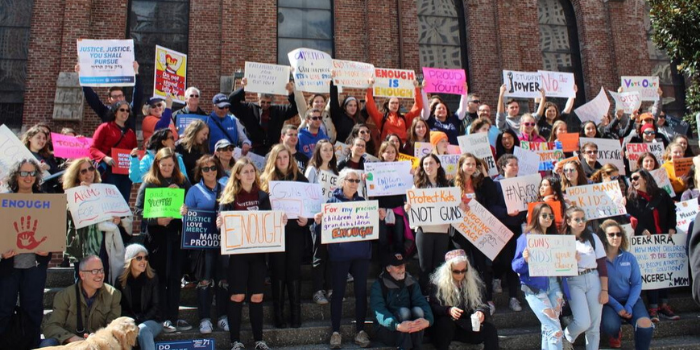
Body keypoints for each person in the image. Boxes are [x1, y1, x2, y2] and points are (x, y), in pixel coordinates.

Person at [216, 158, 276, 350]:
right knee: (237, 296)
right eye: (246, 172)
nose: (250, 174)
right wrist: (220, 224)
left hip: (258, 254)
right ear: (238, 175)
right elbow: (222, 224)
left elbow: (269, 222)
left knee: (257, 296)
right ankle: (235, 341)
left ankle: (259, 340)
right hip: (237, 256)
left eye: (252, 171)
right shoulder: (229, 197)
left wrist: (279, 219)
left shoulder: (263, 196)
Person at [314, 169, 376, 349]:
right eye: (351, 180)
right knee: (338, 293)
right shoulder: (331, 202)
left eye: (357, 181)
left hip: (361, 255)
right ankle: (335, 332)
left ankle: (360, 331)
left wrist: (378, 219)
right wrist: (318, 223)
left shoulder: (363, 203)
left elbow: (372, 231)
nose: (355, 183)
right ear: (343, 181)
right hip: (340, 256)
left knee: (360, 293)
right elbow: (322, 234)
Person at [134, 147, 192, 333]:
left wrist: (185, 208)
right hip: (156, 238)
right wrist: (156, 220)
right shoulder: (149, 183)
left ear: (175, 164)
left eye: (170, 164)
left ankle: (173, 317)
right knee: (158, 277)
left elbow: (191, 205)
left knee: (175, 277)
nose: (167, 168)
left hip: (176, 235)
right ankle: (160, 316)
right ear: (157, 164)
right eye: (163, 164)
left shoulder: (182, 181)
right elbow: (139, 211)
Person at [0, 159, 51, 349]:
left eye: (32, 173)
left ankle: (32, 345)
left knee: (33, 311)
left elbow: (51, 232)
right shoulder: (3, 200)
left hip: (34, 267)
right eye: (24, 173)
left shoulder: (45, 200)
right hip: (8, 267)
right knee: (3, 310)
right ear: (16, 175)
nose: (28, 177)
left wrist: (47, 251)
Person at [261, 144, 310, 329]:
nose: (282, 161)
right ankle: (278, 316)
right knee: (278, 271)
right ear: (273, 160)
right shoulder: (265, 181)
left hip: (296, 231)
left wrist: (308, 221)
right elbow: (260, 208)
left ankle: (296, 315)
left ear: (291, 159)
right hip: (276, 232)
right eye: (279, 158)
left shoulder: (301, 179)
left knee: (293, 271)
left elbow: (312, 206)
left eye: (285, 157)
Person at [181, 155, 228, 334]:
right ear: (200, 172)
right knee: (205, 281)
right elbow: (188, 218)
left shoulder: (225, 189)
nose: (210, 171)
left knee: (223, 281)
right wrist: (184, 212)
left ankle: (223, 317)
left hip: (223, 243)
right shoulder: (194, 191)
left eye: (213, 168)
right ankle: (205, 319)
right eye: (206, 168)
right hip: (203, 246)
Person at [624, 169, 679, 322]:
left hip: (663, 240)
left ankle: (664, 305)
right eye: (631, 179)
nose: (633, 181)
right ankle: (653, 306)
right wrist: (641, 229)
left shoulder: (661, 194)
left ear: (646, 179)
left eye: (636, 178)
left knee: (663, 270)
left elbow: (671, 210)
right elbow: (630, 217)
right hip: (646, 243)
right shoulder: (631, 198)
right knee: (651, 272)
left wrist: (671, 227)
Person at [63, 158, 126, 284]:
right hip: (82, 245)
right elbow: (70, 216)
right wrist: (80, 194)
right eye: (83, 171)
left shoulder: (103, 191)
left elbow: (112, 214)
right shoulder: (71, 194)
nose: (88, 173)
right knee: (82, 283)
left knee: (101, 279)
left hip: (101, 243)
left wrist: (116, 220)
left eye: (91, 169)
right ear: (76, 175)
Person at [512, 203, 566, 350]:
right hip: (534, 288)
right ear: (536, 216)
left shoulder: (555, 237)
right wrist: (525, 260)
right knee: (555, 330)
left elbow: (564, 264)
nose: (548, 218)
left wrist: (571, 259)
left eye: (551, 215)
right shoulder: (525, 238)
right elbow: (515, 266)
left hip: (554, 285)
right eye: (544, 215)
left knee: (548, 329)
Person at [40, 256, 121, 347]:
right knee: (47, 344)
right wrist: (72, 338)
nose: (100, 275)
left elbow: (113, 327)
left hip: (98, 344)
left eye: (101, 270)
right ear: (82, 275)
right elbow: (51, 327)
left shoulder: (113, 294)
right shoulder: (65, 296)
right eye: (94, 271)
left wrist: (97, 338)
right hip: (70, 344)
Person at [598, 220, 654, 349]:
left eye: (619, 234)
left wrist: (629, 305)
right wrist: (618, 307)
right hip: (608, 302)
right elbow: (599, 288)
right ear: (604, 237)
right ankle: (616, 332)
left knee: (645, 325)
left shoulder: (629, 257)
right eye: (611, 234)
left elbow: (636, 283)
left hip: (630, 300)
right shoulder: (598, 260)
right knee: (610, 326)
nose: (616, 237)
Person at [429, 249, 499, 350]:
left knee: (490, 330)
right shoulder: (438, 284)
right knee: (445, 324)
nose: (461, 274)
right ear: (449, 270)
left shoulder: (474, 283)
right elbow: (433, 307)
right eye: (456, 271)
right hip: (445, 327)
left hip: (466, 325)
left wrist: (481, 312)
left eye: (464, 270)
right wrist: (448, 310)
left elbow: (483, 304)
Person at [562, 206, 608, 350]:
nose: (581, 222)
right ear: (568, 221)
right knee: (582, 322)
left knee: (594, 325)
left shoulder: (593, 238)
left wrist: (605, 290)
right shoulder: (562, 240)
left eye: (583, 219)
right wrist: (570, 260)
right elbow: (559, 267)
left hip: (593, 279)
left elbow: (602, 265)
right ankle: (565, 337)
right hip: (574, 281)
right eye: (577, 219)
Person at [406, 154, 452, 294]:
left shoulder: (447, 185)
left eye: (431, 163)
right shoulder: (417, 186)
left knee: (439, 267)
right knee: (424, 267)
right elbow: (411, 207)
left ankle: (438, 297)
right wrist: (408, 208)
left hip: (442, 231)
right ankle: (424, 297)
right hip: (424, 231)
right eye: (425, 164)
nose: (428, 166)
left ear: (438, 165)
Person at [370, 253, 433, 350]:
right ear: (388, 268)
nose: (401, 269)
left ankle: (416, 346)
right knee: (404, 312)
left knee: (418, 311)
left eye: (402, 265)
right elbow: (379, 311)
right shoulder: (379, 285)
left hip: (411, 327)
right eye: (397, 266)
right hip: (389, 329)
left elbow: (421, 302)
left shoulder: (411, 281)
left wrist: (428, 321)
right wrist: (397, 326)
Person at [304, 140, 338, 304]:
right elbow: (306, 193)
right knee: (319, 255)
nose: (328, 153)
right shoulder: (312, 170)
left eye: (330, 150)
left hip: (333, 219)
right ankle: (318, 291)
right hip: (317, 219)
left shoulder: (335, 171)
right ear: (318, 151)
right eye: (324, 150)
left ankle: (331, 288)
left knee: (333, 256)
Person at [230, 78, 298, 155]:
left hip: (272, 151)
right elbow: (231, 103)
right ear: (258, 98)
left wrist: (290, 93)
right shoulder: (248, 109)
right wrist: (242, 88)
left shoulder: (278, 110)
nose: (265, 105)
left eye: (268, 102)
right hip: (253, 151)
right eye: (263, 102)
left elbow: (295, 109)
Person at [89, 101, 138, 202]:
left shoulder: (131, 133)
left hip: (125, 174)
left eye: (127, 110)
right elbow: (93, 148)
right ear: (115, 112)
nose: (125, 112)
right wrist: (105, 158)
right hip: (108, 171)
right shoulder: (104, 127)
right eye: (122, 110)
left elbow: (134, 152)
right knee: (109, 202)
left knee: (123, 203)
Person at [116, 244, 162, 350]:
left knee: (143, 329)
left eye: (145, 258)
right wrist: (132, 322)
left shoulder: (152, 278)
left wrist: (140, 320)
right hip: (129, 321)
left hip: (153, 320)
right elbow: (120, 307)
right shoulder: (120, 281)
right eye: (139, 258)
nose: (143, 261)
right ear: (130, 260)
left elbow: (156, 306)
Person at [75, 61, 142, 130]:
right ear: (109, 99)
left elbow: (138, 96)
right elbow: (92, 98)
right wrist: (82, 76)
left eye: (120, 96)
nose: (118, 99)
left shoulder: (130, 111)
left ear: (124, 97)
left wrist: (136, 73)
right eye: (115, 97)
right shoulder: (105, 111)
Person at [366, 78, 423, 143]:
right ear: (387, 105)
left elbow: (418, 107)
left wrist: (416, 88)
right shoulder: (382, 118)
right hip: (387, 149)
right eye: (392, 103)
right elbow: (370, 108)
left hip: (402, 150)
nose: (394, 105)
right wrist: (370, 87)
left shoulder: (404, 118)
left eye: (396, 103)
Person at [22, 125, 61, 193]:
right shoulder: (21, 155)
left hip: (45, 195)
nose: (42, 140)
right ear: (29, 138)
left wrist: (49, 168)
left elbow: (58, 178)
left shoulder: (48, 157)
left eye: (44, 138)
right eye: (38, 137)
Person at [329, 75, 366, 143]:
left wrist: (371, 86)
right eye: (350, 105)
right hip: (341, 149)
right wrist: (333, 80)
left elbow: (369, 105)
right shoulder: (338, 117)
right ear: (345, 107)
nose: (353, 108)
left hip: (357, 148)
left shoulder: (360, 117)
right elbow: (333, 99)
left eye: (355, 106)